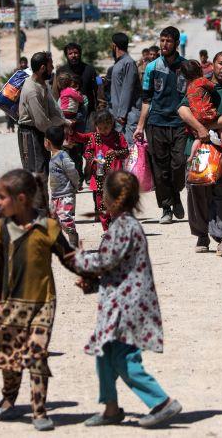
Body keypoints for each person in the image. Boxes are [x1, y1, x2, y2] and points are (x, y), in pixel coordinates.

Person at [73, 171, 183, 429]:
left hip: (127, 307)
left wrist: (78, 260)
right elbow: (117, 269)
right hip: (118, 301)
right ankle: (111, 408)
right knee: (105, 352)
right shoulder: (124, 225)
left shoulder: (123, 227)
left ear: (110, 200)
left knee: (124, 358)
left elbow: (104, 261)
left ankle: (162, 402)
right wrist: (92, 284)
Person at [0, 169, 77, 432]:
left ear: (21, 199)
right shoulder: (0, 228)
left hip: (43, 303)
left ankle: (39, 409)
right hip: (13, 303)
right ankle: (9, 397)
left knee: (37, 354)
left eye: (3, 198)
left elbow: (69, 258)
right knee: (10, 357)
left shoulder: (48, 227)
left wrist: (90, 273)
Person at [179, 51, 222, 257]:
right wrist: (200, 128)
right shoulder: (198, 83)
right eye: (221, 63)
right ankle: (201, 234)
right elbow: (182, 110)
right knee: (197, 192)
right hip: (198, 147)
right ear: (213, 64)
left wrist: (208, 126)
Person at [135, 27, 188, 225]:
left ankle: (176, 194)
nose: (164, 44)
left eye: (168, 41)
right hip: (156, 123)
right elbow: (147, 100)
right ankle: (167, 207)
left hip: (180, 123)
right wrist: (140, 126)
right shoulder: (152, 68)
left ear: (176, 44)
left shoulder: (186, 66)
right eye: (162, 40)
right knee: (161, 169)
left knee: (178, 164)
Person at [17, 52, 69, 174]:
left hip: (41, 133)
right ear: (42, 68)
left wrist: (65, 122)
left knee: (44, 170)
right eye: (50, 66)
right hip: (31, 134)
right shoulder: (32, 90)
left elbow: (53, 108)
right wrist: (59, 136)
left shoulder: (42, 84)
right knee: (37, 174)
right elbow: (41, 122)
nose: (52, 69)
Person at [80, 111, 130, 232]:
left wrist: (116, 153)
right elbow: (87, 152)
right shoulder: (95, 137)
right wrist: (93, 159)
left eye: (106, 127)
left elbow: (126, 152)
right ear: (96, 126)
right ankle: (106, 229)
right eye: (100, 128)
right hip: (99, 177)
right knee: (101, 204)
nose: (104, 130)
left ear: (112, 124)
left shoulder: (118, 137)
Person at [44, 125, 80, 247]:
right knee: (54, 220)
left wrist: (76, 185)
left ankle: (73, 238)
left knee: (66, 220)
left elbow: (72, 171)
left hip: (66, 195)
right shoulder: (53, 157)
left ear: (47, 142)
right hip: (55, 196)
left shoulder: (62, 156)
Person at [180, 59, 222, 161]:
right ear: (200, 70)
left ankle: (192, 155)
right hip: (207, 114)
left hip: (195, 118)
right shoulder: (202, 80)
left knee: (198, 138)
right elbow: (213, 87)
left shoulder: (188, 88)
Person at [108, 32, 142, 135]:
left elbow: (128, 88)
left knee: (130, 148)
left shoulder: (128, 63)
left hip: (127, 117)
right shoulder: (119, 63)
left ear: (114, 46)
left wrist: (122, 114)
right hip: (118, 117)